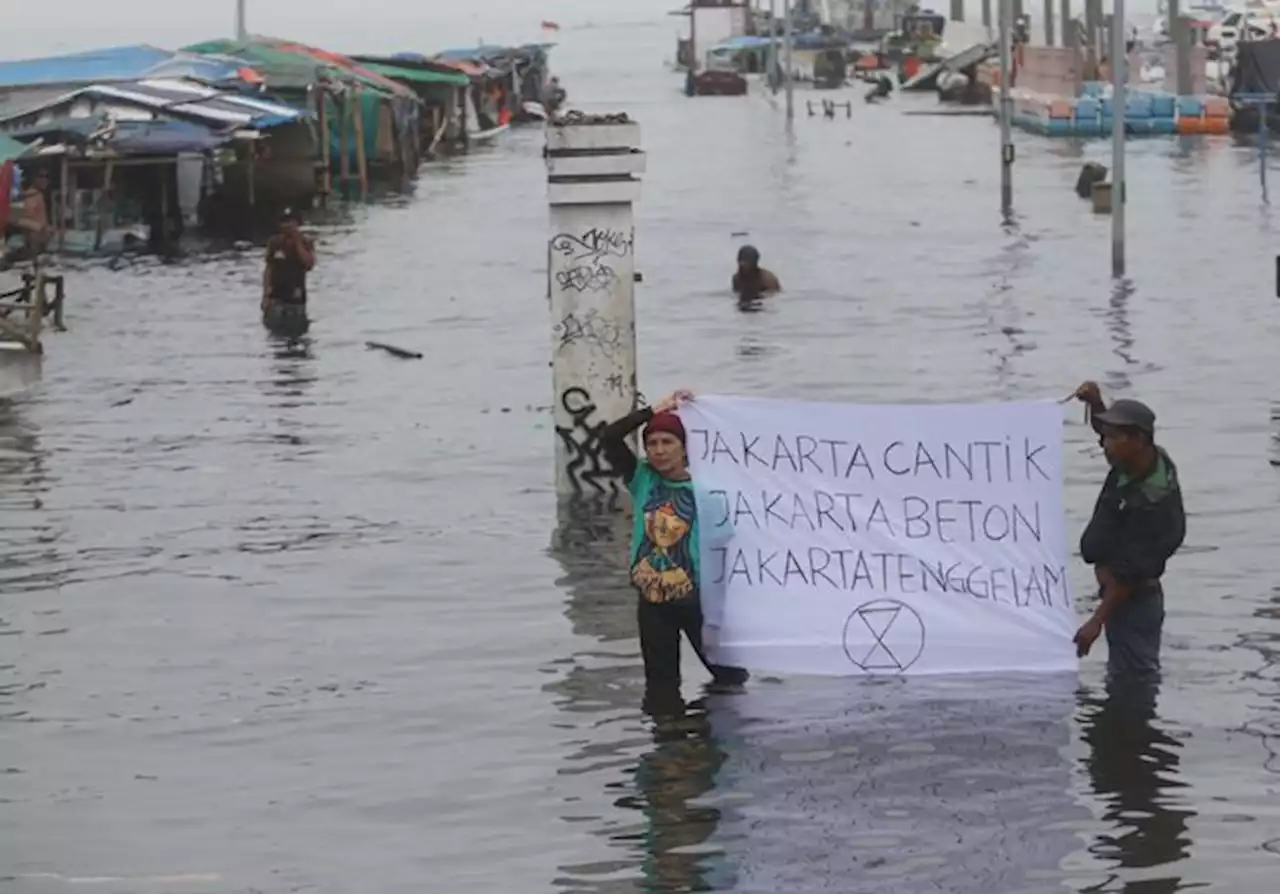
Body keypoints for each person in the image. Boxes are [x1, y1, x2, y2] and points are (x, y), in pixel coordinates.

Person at [600, 390, 749, 693]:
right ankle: (669, 735)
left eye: (668, 442)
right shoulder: (642, 478)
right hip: (653, 602)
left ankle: (720, 733)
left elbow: (726, 548)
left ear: (684, 449)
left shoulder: (707, 492)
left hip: (697, 601)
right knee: (660, 685)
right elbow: (608, 438)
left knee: (729, 679)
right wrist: (652, 411)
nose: (659, 450)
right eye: (652, 443)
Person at [1072, 382, 1186, 681]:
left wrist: (1097, 621)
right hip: (1120, 592)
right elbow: (1109, 430)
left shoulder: (1153, 501)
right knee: (1126, 674)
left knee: (1133, 680)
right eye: (1105, 436)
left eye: (1113, 438)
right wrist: (1096, 404)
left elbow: (1129, 574)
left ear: (1138, 440)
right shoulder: (1136, 460)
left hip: (1133, 600)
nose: (1104, 445)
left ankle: (1137, 724)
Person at [262, 208, 315, 315]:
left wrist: (297, 243)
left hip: (296, 297)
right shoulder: (274, 242)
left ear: (297, 223)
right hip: (275, 297)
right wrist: (265, 295)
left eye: (290, 222)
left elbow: (309, 264)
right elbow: (268, 269)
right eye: (284, 222)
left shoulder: (306, 242)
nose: (287, 225)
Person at [1, 170, 50, 270]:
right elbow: (20, 216)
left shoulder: (37, 195)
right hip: (31, 238)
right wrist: (38, 227)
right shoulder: (30, 196)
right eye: (41, 177)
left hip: (36, 239)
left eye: (46, 178)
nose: (45, 180)